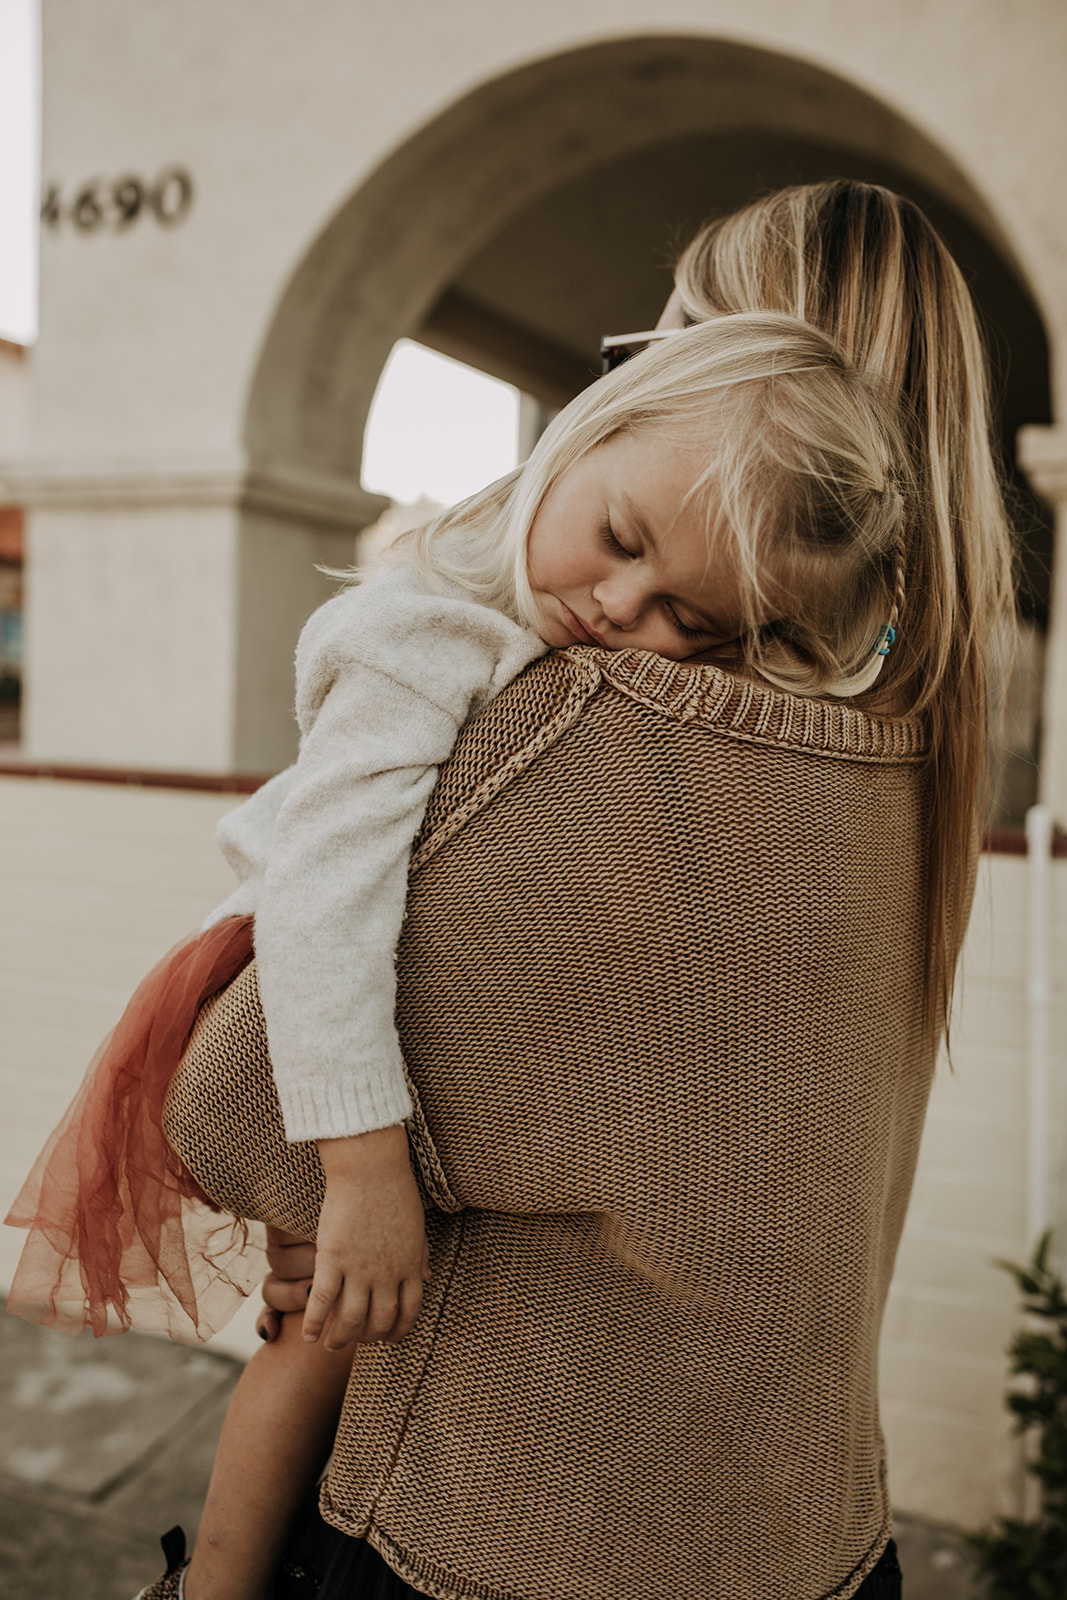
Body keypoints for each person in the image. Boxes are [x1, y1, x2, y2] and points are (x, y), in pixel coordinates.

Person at [6, 309, 913, 1600]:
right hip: (314, 973)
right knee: (310, 1336)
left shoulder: (582, 622)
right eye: (621, 541)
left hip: (378, 990)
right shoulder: (430, 626)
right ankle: (215, 1583)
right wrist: (363, 1164)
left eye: (690, 625)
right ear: (590, 429)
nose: (618, 608)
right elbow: (328, 897)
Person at [234, 180, 1015, 1600]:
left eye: (674, 340)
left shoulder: (611, 735)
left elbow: (232, 1097)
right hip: (802, 1524)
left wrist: (340, 1174)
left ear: (764, 397)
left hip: (497, 1522)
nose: (635, 368)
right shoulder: (899, 765)